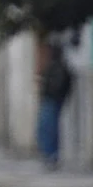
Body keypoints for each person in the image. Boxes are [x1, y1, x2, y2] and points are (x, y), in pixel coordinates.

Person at [37, 41, 73, 169]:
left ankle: (51, 155)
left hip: (52, 101)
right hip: (50, 101)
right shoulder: (53, 67)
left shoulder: (59, 68)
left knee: (50, 129)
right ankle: (48, 155)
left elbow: (59, 86)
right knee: (45, 129)